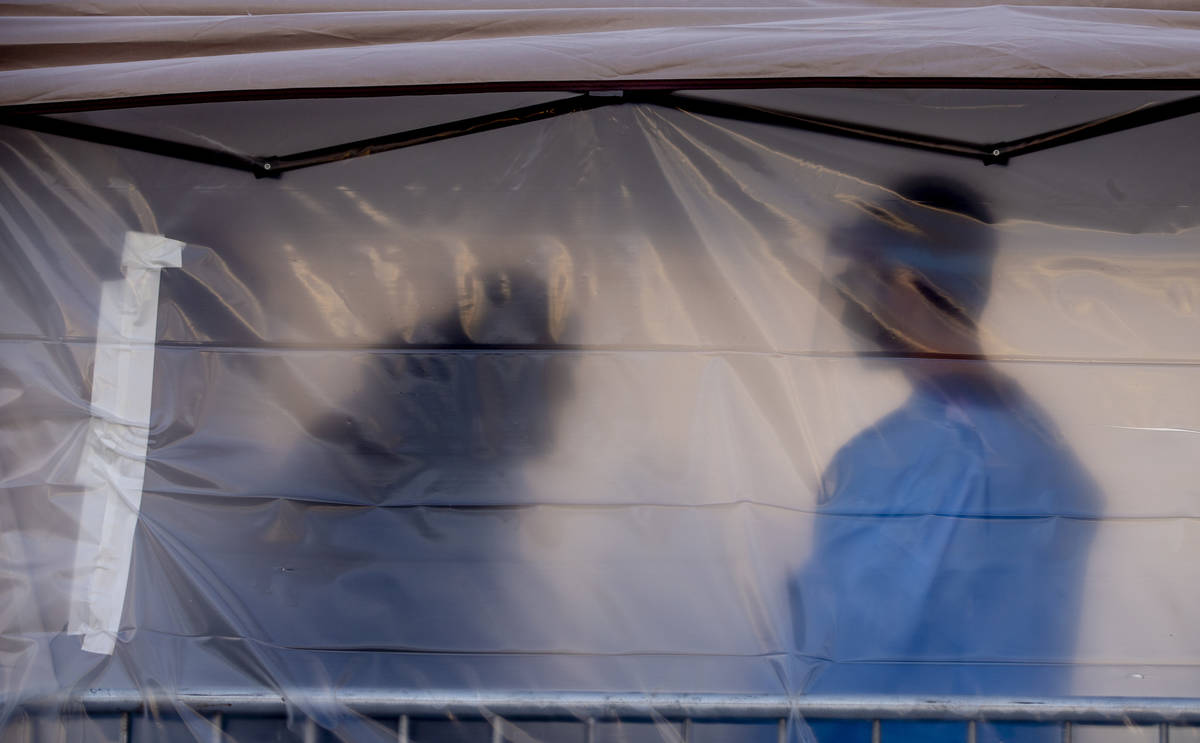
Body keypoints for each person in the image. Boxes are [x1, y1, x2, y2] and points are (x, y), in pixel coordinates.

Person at [791, 177, 1100, 743]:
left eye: (859, 279)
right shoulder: (1034, 440)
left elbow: (849, 653)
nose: (843, 302)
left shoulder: (921, 454)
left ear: (911, 283)